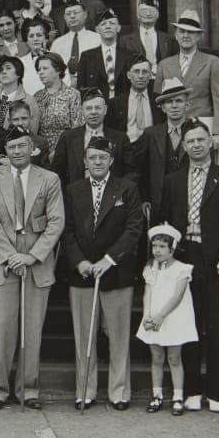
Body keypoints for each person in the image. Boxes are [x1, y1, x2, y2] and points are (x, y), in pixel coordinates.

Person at [157, 117, 219, 413]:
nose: (195, 145)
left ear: (210, 143)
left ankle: (217, 392)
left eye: (200, 140)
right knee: (188, 324)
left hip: (216, 259)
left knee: (216, 324)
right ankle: (193, 389)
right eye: (190, 141)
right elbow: (166, 222)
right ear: (183, 146)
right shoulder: (173, 180)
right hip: (185, 259)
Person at [0, 126, 65, 409]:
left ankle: (28, 389)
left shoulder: (49, 179)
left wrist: (32, 256)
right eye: (12, 147)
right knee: (1, 328)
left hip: (36, 262)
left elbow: (56, 222)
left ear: (33, 149)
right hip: (3, 260)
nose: (17, 152)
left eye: (22, 146)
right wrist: (10, 255)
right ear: (5, 151)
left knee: (32, 329)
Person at [60, 136, 145, 410]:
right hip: (83, 273)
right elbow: (68, 230)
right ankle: (85, 390)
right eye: (92, 157)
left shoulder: (127, 189)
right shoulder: (73, 190)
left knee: (119, 336)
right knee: (83, 334)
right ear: (85, 161)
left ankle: (119, 391)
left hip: (116, 272)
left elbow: (134, 229)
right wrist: (80, 262)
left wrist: (109, 259)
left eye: (102, 157)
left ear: (111, 160)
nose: (97, 162)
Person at [154, 9, 219, 163]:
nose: (185, 36)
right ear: (176, 35)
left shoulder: (211, 62)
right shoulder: (164, 64)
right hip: (173, 129)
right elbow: (158, 100)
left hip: (202, 126)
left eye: (191, 32)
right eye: (182, 31)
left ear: (198, 36)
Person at [137, 223, 197, 416]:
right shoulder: (150, 269)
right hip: (153, 318)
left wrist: (161, 316)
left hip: (172, 318)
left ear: (172, 248)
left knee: (174, 357)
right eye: (155, 246)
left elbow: (177, 296)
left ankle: (178, 397)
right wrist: (148, 315)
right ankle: (157, 395)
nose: (158, 250)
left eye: (162, 247)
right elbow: (147, 293)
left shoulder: (182, 269)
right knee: (156, 357)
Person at [132, 77, 192, 221]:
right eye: (169, 102)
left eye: (179, 101)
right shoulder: (151, 134)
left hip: (189, 200)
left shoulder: (197, 131)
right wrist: (144, 198)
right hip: (159, 202)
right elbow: (139, 169)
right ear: (163, 108)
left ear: (187, 105)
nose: (174, 106)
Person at [52, 87, 137, 187]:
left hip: (111, 197)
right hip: (77, 197)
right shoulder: (68, 137)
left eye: (97, 108)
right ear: (81, 111)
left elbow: (131, 172)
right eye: (88, 108)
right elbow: (56, 172)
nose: (93, 112)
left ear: (105, 110)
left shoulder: (120, 138)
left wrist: (118, 191)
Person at [31, 52, 82, 158]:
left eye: (45, 68)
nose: (41, 72)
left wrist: (59, 152)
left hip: (67, 152)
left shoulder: (72, 95)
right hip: (41, 153)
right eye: (39, 70)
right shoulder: (36, 97)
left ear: (58, 70)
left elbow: (77, 129)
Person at [77, 7, 131, 101]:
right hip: (96, 107)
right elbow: (81, 87)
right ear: (97, 29)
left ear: (119, 28)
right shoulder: (87, 56)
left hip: (123, 106)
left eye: (112, 23)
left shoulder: (129, 56)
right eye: (103, 24)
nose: (108, 26)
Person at [109, 52, 165, 142]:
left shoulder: (159, 101)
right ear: (128, 75)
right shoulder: (115, 103)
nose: (140, 76)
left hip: (152, 150)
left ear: (150, 75)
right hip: (126, 151)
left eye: (145, 72)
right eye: (136, 71)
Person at [49, 0, 101, 88]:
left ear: (85, 15)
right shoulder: (57, 43)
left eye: (76, 13)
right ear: (64, 17)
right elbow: (53, 69)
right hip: (64, 89)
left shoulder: (97, 39)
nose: (72, 16)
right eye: (68, 14)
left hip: (92, 88)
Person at [120, 0, 178, 73]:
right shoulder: (125, 41)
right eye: (144, 11)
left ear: (157, 15)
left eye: (152, 11)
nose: (148, 14)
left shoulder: (169, 39)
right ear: (138, 15)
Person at [0, 55, 38, 130]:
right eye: (0, 70)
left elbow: (32, 133)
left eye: (8, 68)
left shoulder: (29, 101)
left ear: (18, 73)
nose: (4, 72)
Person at [19, 18, 52, 96]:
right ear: (27, 40)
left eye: (39, 35)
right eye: (31, 36)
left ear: (46, 38)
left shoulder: (57, 59)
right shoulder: (20, 63)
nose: (35, 39)